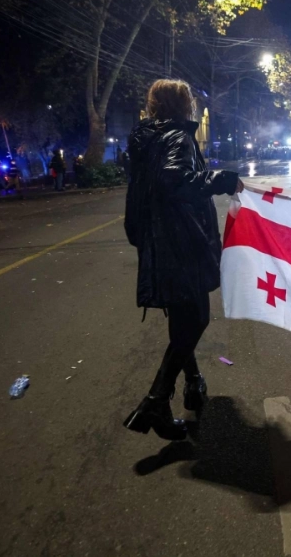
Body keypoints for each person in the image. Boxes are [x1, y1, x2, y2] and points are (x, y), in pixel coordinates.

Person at [123, 79, 243, 441]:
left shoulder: (147, 139)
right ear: (184, 105)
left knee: (181, 319)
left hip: (158, 240)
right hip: (180, 241)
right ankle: (156, 400)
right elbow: (173, 180)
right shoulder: (177, 137)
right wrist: (220, 180)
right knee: (197, 318)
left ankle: (192, 381)